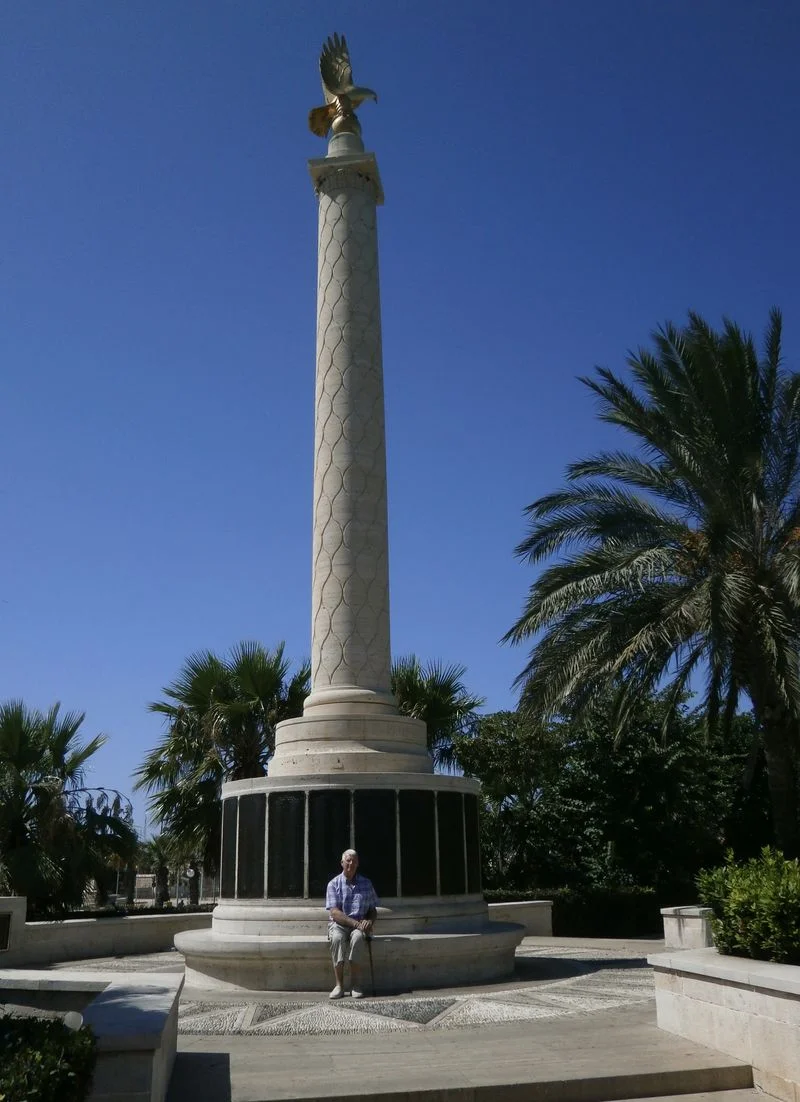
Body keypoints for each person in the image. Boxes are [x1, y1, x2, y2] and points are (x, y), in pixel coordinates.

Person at [325, 848, 378, 999]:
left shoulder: (366, 884)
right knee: (336, 939)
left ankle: (355, 984)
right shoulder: (333, 884)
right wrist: (355, 924)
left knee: (358, 938)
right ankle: (339, 985)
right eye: (348, 860)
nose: (351, 863)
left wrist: (369, 920)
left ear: (358, 864)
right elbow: (334, 913)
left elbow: (373, 910)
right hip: (340, 924)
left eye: (354, 860)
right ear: (342, 863)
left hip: (360, 925)